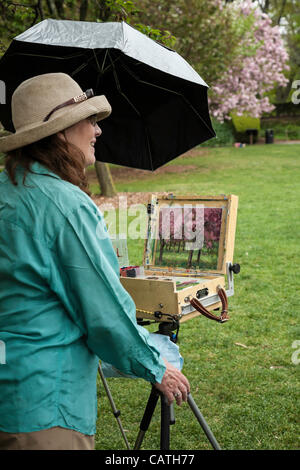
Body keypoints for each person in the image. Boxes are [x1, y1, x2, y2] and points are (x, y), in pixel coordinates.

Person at [0, 73, 190, 450]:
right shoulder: (64, 204)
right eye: (89, 120)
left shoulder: (7, 191)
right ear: (60, 133)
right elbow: (104, 311)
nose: (97, 131)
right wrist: (155, 367)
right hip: (46, 404)